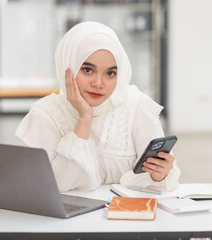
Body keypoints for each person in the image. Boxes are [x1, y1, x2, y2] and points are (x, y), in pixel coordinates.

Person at [16, 21, 180, 192]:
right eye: (87, 70)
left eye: (110, 73)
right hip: (67, 217)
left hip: (125, 215)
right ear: (67, 66)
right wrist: (84, 119)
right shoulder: (46, 113)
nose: (98, 83)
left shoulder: (136, 105)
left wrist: (159, 175)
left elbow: (167, 179)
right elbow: (55, 184)